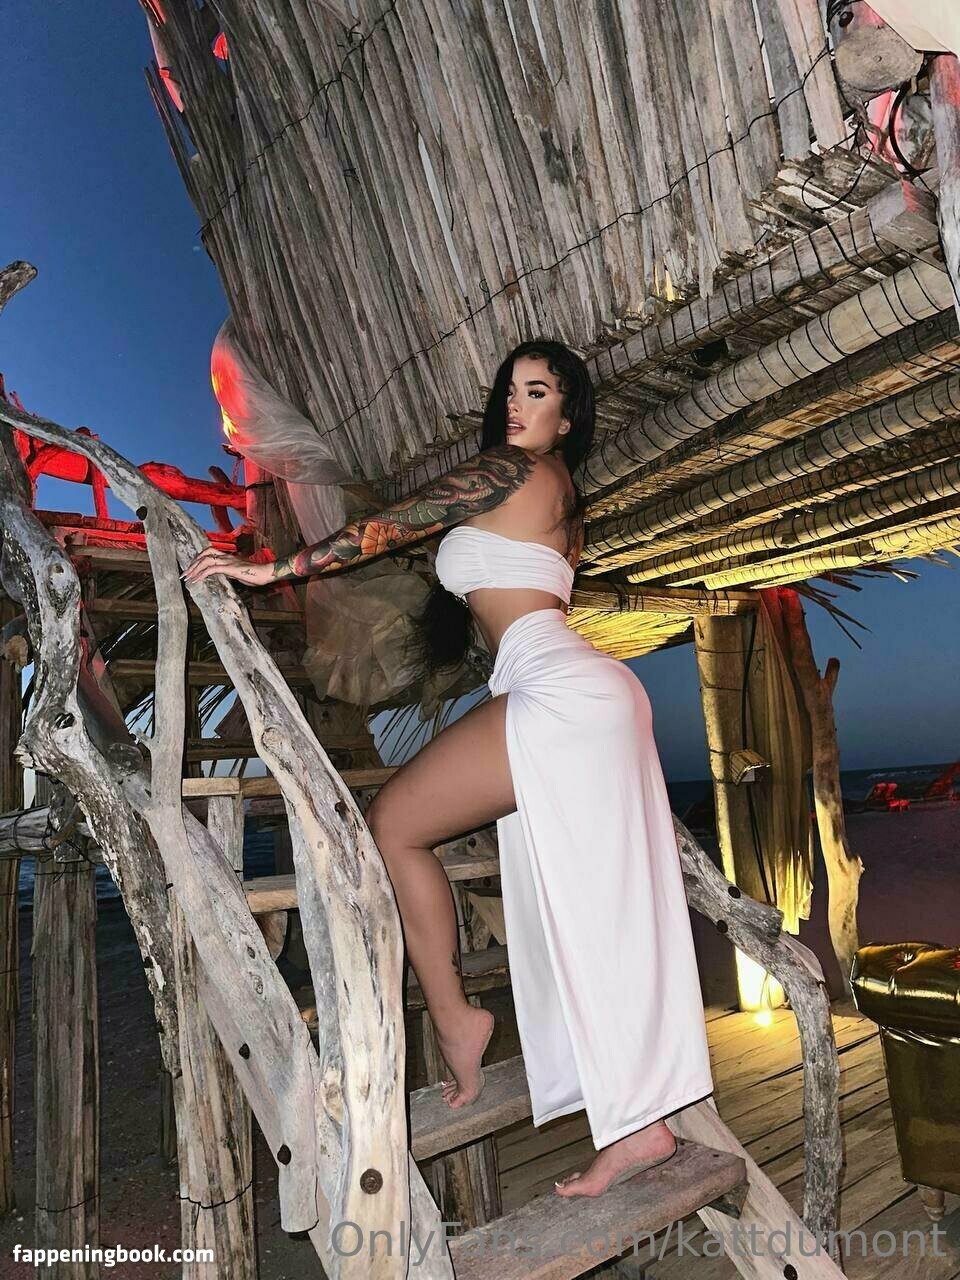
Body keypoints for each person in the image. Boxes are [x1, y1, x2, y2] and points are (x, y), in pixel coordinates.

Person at [183, 339, 714, 1197]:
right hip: (583, 690)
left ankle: (459, 1018)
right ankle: (641, 1124)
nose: (516, 404)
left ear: (566, 418)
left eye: (536, 392)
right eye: (511, 391)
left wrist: (270, 567)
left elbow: (392, 524)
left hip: (558, 688)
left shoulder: (511, 470)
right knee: (603, 906)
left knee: (396, 825)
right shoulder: (559, 499)